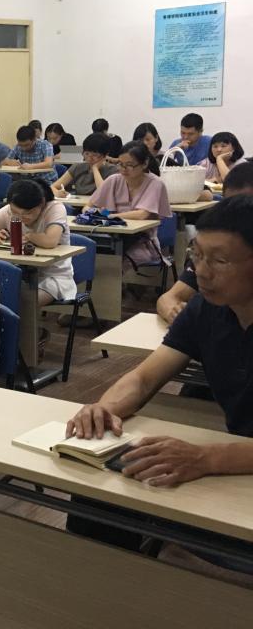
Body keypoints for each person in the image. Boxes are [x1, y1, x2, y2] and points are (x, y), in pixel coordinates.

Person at [65, 196, 253, 570]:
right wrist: (104, 409)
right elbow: (144, 378)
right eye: (197, 256)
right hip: (238, 458)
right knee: (99, 494)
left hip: (236, 464)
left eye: (219, 261)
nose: (202, 272)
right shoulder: (206, 309)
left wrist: (206, 458)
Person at [156, 162, 253, 324]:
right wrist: (176, 315)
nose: (237, 215)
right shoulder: (212, 250)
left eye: (246, 207)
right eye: (229, 206)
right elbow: (169, 298)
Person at [0, 179, 76, 306]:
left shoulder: (54, 208)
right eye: (15, 212)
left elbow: (50, 241)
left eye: (27, 213)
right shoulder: (9, 210)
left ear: (41, 204)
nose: (20, 217)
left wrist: (29, 236)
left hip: (53, 277)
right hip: (19, 273)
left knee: (22, 303)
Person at [86, 141, 171, 272]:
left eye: (130, 165)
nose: (123, 169)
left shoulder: (155, 183)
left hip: (142, 242)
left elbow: (142, 214)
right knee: (96, 256)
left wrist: (111, 217)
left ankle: (116, 284)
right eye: (120, 164)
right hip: (111, 237)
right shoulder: (113, 180)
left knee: (117, 262)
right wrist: (93, 214)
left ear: (144, 164)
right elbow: (88, 206)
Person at [51, 133, 118, 197]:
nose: (89, 158)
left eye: (95, 155)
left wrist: (95, 169)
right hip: (78, 203)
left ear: (105, 155)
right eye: (86, 154)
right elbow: (53, 187)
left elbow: (103, 193)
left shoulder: (112, 171)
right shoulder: (78, 167)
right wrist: (57, 192)